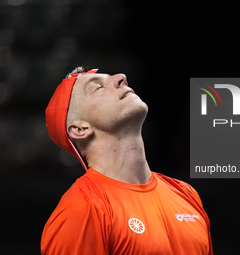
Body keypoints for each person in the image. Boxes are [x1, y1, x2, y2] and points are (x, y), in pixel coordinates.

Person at [41, 67, 213, 255]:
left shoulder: (186, 194)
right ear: (80, 129)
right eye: (98, 87)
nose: (121, 77)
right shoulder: (82, 210)